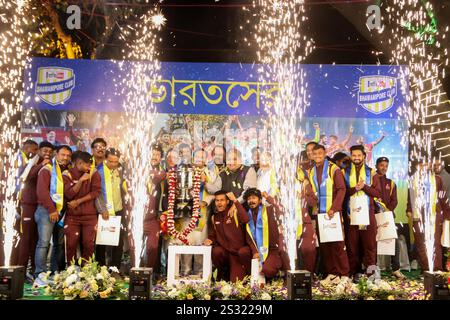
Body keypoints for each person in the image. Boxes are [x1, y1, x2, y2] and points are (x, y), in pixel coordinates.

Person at [306, 144, 350, 285]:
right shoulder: (311, 171)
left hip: (333, 213)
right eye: (315, 153)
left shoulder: (333, 169)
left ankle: (344, 274)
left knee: (338, 244)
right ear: (311, 155)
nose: (317, 156)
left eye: (320, 153)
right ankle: (332, 273)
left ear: (324, 153)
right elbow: (312, 192)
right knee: (325, 246)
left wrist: (334, 208)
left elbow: (342, 189)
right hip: (320, 214)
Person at [14, 141, 54, 280]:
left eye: (50, 151)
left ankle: (31, 270)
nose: (47, 153)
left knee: (36, 240)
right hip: (28, 204)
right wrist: (40, 166)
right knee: (26, 239)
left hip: (39, 205)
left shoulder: (49, 165)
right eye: (43, 150)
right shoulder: (31, 163)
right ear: (37, 151)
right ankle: (20, 271)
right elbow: (26, 177)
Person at [34, 145, 72, 286]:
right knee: (43, 243)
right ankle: (40, 274)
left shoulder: (67, 171)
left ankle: (55, 272)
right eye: (63, 154)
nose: (65, 158)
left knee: (59, 244)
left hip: (61, 212)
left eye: (68, 156)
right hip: (46, 211)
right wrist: (52, 210)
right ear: (56, 154)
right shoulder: (47, 169)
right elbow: (42, 192)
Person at [343, 145, 382, 280]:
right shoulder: (345, 172)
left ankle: (372, 275)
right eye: (354, 155)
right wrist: (354, 189)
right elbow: (342, 192)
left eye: (359, 155)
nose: (357, 158)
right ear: (351, 156)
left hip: (368, 214)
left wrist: (364, 187)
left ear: (364, 156)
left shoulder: (372, 173)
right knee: (352, 246)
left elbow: (377, 193)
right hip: (350, 214)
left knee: (370, 246)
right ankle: (354, 274)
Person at [179, 149, 220, 277]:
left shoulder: (211, 173)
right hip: (188, 212)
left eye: (202, 157)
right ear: (192, 157)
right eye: (196, 156)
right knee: (187, 240)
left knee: (201, 240)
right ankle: (185, 271)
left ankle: (199, 272)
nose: (199, 159)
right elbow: (181, 190)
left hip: (204, 212)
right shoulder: (186, 171)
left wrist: (206, 200)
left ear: (206, 159)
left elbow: (216, 191)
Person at [407, 162, 450, 272]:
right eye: (421, 165)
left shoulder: (437, 179)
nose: (424, 167)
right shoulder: (412, 180)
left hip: (434, 215)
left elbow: (443, 197)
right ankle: (426, 268)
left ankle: (436, 268)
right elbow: (410, 197)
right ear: (417, 166)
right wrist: (409, 209)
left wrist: (447, 213)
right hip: (418, 214)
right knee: (420, 242)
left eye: (427, 164)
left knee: (435, 242)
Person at [203, 191, 251, 282]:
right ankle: (222, 271)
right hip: (225, 254)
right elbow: (212, 235)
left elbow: (246, 219)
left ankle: (242, 272)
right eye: (217, 200)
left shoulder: (235, 212)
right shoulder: (214, 217)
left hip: (237, 255)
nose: (219, 203)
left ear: (227, 202)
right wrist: (209, 240)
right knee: (216, 251)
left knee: (236, 284)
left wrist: (235, 201)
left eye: (222, 200)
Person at [63, 152, 102, 264]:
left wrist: (78, 201)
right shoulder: (67, 174)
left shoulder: (93, 173)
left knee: (88, 244)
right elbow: (69, 194)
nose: (89, 167)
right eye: (87, 164)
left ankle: (86, 269)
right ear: (79, 163)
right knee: (70, 244)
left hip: (90, 216)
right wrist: (80, 181)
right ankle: (70, 269)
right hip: (72, 216)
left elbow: (96, 192)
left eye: (90, 164)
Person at [95, 148, 128, 269]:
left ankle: (115, 268)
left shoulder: (120, 170)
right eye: (111, 161)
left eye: (116, 162)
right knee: (102, 241)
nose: (113, 164)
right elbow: (96, 193)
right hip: (103, 212)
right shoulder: (98, 171)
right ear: (105, 158)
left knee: (118, 242)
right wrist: (102, 209)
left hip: (119, 210)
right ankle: (101, 269)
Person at [241, 188, 282, 279]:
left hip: (271, 249)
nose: (251, 201)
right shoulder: (247, 216)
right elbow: (248, 238)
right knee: (243, 252)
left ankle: (274, 276)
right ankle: (251, 275)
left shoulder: (268, 210)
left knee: (268, 270)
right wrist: (255, 251)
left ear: (260, 200)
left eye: (254, 198)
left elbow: (280, 207)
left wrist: (268, 197)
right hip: (256, 249)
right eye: (248, 199)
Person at [374, 157, 404, 279]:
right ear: (376, 166)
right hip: (374, 216)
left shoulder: (391, 183)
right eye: (381, 165)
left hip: (388, 217)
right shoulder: (371, 180)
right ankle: (372, 269)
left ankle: (395, 269)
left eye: (386, 165)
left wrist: (387, 210)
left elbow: (394, 200)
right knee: (372, 243)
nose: (384, 168)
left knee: (393, 242)